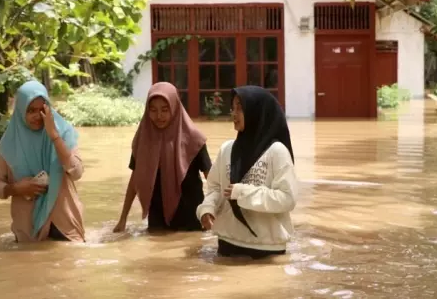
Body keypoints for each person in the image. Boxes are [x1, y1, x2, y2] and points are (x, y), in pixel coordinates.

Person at [197, 85, 298, 259]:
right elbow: (214, 188)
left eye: (240, 108)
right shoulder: (226, 149)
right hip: (228, 242)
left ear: (256, 112)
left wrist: (243, 193)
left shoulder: (277, 152)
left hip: (267, 248)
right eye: (233, 108)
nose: (234, 114)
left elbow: (287, 199)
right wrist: (207, 209)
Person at [0, 80, 85, 242]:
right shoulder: (9, 143)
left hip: (65, 224)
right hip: (28, 227)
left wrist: (54, 136)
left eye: (42, 110)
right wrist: (16, 189)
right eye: (31, 110)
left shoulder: (64, 132)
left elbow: (77, 172)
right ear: (20, 111)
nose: (37, 116)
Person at [113, 82, 211, 233]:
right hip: (157, 217)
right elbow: (135, 179)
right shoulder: (143, 140)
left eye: (165, 110)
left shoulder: (194, 139)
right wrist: (123, 219)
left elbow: (211, 178)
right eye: (153, 110)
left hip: (191, 217)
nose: (159, 116)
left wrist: (210, 211)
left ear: (175, 107)